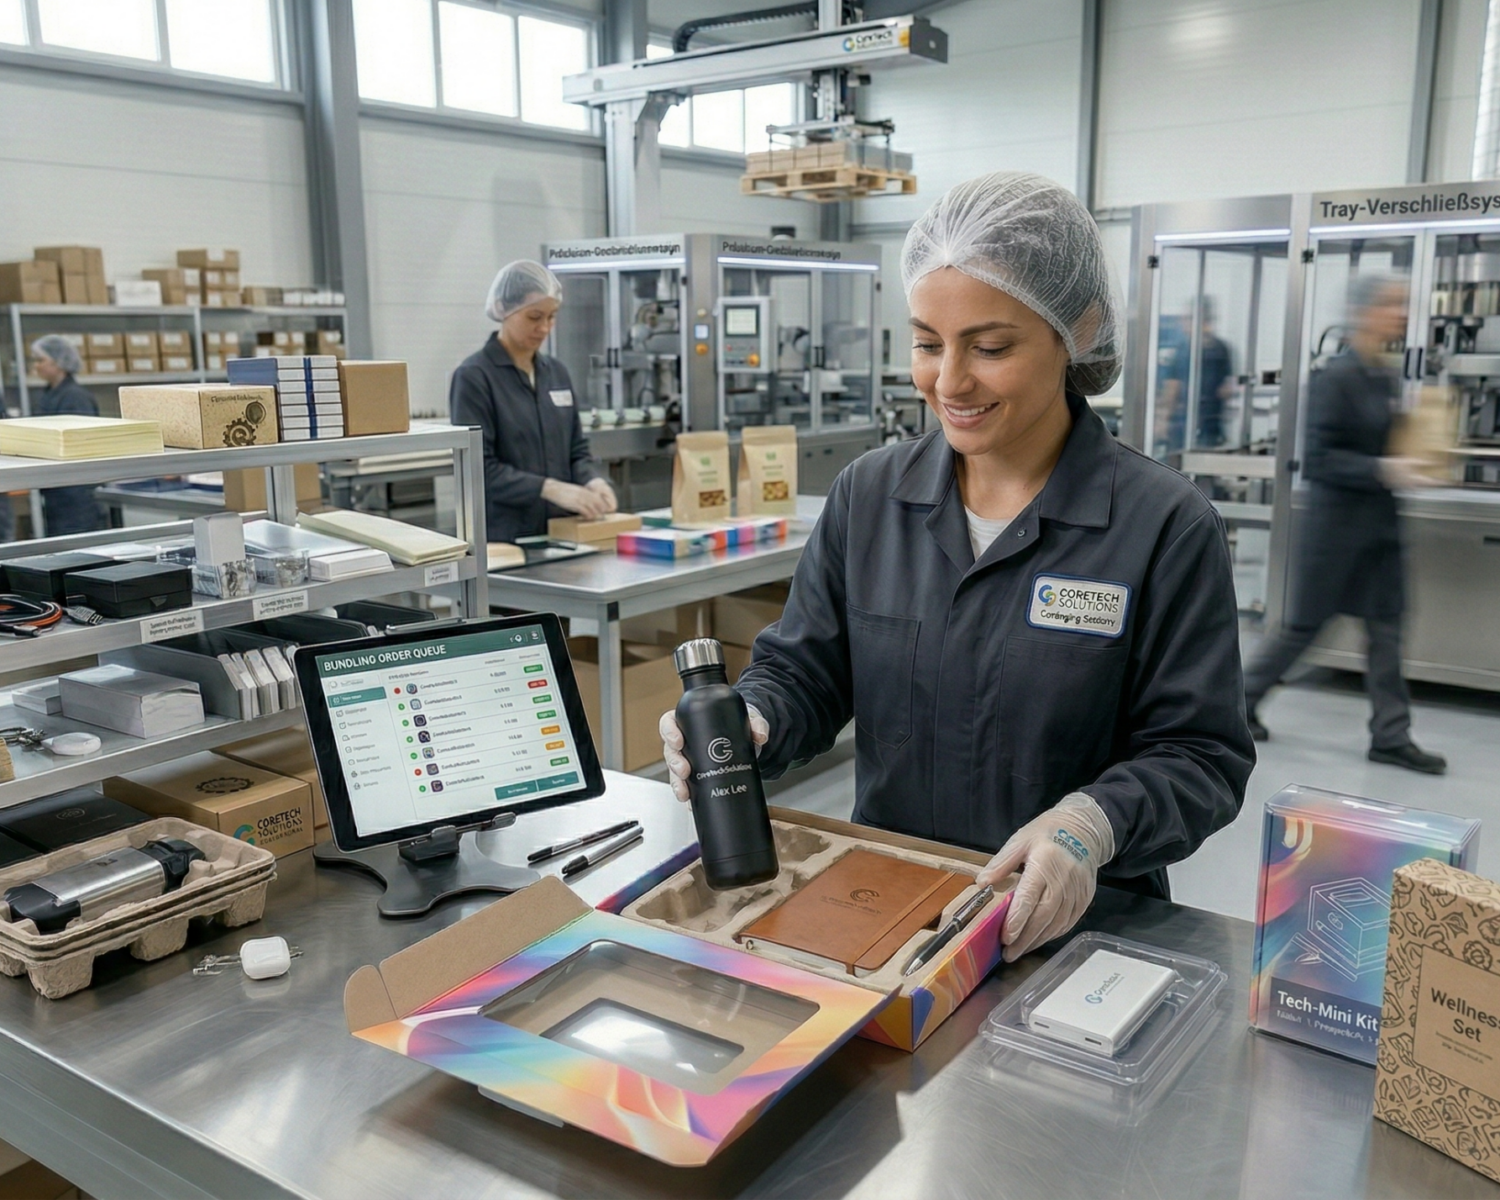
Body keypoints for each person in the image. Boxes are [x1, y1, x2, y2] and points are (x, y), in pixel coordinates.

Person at [660, 172, 1255, 962]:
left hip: (1073, 930)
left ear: (1074, 330)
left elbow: (1200, 756)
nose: (949, 382)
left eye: (991, 346)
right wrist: (752, 720)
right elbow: (806, 671)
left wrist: (1090, 825)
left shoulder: (1162, 525)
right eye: (927, 344)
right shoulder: (872, 496)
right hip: (888, 909)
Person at [1243, 275, 1445, 775]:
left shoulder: (1383, 375)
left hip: (1379, 531)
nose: (1401, 314)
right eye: (1393, 305)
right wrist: (1382, 468)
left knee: (1387, 632)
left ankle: (1391, 736)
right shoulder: (1334, 378)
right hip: (1334, 534)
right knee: (1300, 629)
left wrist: (1416, 456)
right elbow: (1319, 458)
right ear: (1364, 313)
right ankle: (1239, 704)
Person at [449, 261, 616, 543]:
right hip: (505, 539)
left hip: (563, 534)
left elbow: (576, 450)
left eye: (552, 317)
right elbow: (478, 469)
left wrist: (592, 479)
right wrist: (548, 488)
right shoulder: (475, 377)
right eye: (534, 317)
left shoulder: (556, 373)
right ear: (503, 309)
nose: (545, 328)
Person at [29, 335, 104, 535]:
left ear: (59, 362)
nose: (36, 366)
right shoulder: (48, 395)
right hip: (56, 491)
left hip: (76, 494)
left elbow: (82, 447)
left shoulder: (75, 398)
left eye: (40, 360)